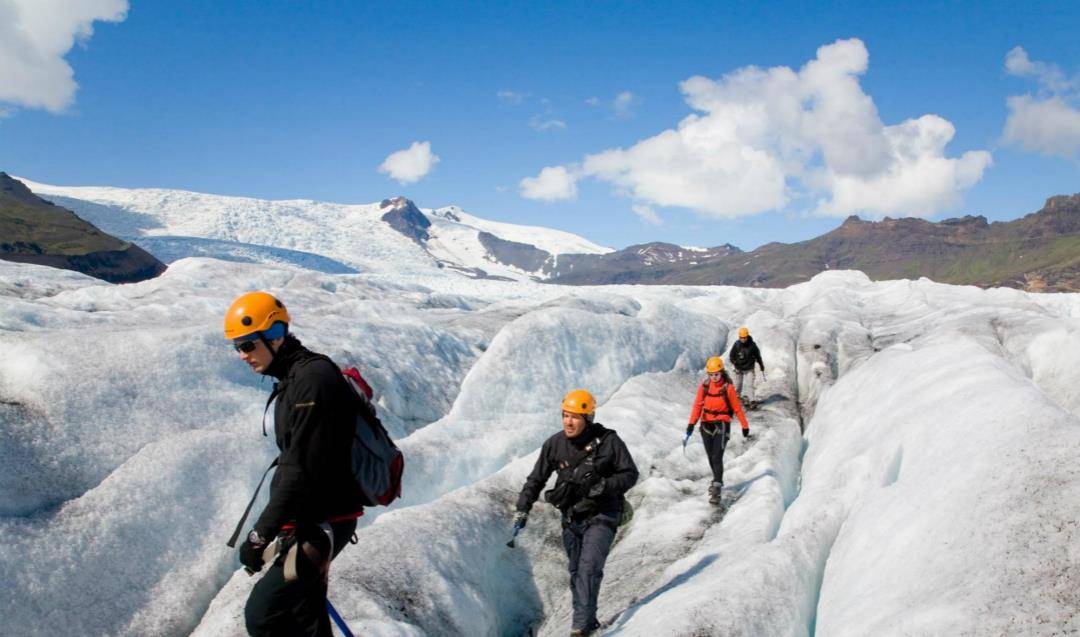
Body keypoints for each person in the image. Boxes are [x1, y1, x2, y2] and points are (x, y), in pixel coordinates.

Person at [224, 291, 364, 637]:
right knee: (306, 617)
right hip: (312, 519)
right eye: (237, 347)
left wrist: (259, 536)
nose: (242, 355)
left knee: (264, 614)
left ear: (274, 336)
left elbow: (298, 470)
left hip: (324, 522)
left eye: (246, 344)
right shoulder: (296, 378)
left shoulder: (311, 381)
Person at [513, 390, 639, 636]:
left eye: (575, 417)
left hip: (603, 513)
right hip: (571, 517)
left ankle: (579, 628)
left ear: (588, 418)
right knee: (575, 572)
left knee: (589, 569)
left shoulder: (610, 442)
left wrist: (605, 486)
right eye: (565, 415)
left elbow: (629, 473)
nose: (568, 422)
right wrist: (522, 508)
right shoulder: (554, 444)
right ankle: (588, 621)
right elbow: (536, 479)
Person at [686, 357, 749, 504]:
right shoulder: (705, 386)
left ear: (721, 372)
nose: (714, 377)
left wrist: (744, 425)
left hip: (722, 424)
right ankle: (716, 480)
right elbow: (697, 405)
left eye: (716, 374)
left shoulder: (728, 388)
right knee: (710, 456)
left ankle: (716, 487)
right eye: (711, 374)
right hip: (706, 424)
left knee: (716, 456)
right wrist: (691, 423)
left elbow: (736, 408)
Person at [728, 326, 765, 407]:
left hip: (749, 367)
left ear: (747, 336)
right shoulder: (737, 345)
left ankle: (752, 400)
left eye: (744, 337)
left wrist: (761, 364)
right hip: (738, 368)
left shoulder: (752, 345)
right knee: (738, 384)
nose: (743, 339)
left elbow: (758, 355)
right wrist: (735, 363)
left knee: (749, 385)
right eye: (741, 337)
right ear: (739, 337)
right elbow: (731, 356)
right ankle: (736, 398)